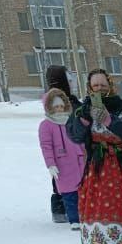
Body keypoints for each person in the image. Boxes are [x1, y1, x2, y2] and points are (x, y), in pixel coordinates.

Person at [66, 69, 122, 244]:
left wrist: (110, 121)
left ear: (110, 85)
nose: (99, 89)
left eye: (103, 85)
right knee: (100, 211)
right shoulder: (83, 108)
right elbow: (74, 136)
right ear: (89, 87)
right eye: (95, 86)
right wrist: (83, 119)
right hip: (97, 169)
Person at [38, 88, 86, 230]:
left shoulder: (71, 120)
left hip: (79, 162)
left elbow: (80, 138)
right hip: (62, 165)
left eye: (61, 106)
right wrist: (50, 164)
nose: (59, 109)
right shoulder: (46, 125)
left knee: (82, 192)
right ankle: (74, 220)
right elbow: (46, 146)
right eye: (56, 107)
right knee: (69, 194)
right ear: (50, 108)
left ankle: (84, 217)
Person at [44, 66, 81, 222]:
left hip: (77, 153)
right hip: (62, 153)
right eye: (69, 79)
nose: (72, 82)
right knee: (62, 178)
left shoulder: (71, 102)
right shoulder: (56, 102)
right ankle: (62, 207)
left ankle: (73, 207)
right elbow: (46, 142)